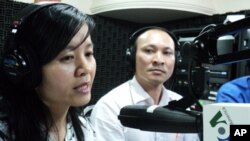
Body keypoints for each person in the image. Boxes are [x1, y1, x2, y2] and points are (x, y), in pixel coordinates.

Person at [0, 2, 96, 141]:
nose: (86, 68)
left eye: (88, 53)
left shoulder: (85, 128)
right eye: (68, 57)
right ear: (28, 67)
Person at [90, 26, 200, 141]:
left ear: (177, 60)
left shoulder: (181, 105)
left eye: (167, 52)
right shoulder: (110, 107)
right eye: (149, 51)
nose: (159, 60)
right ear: (132, 56)